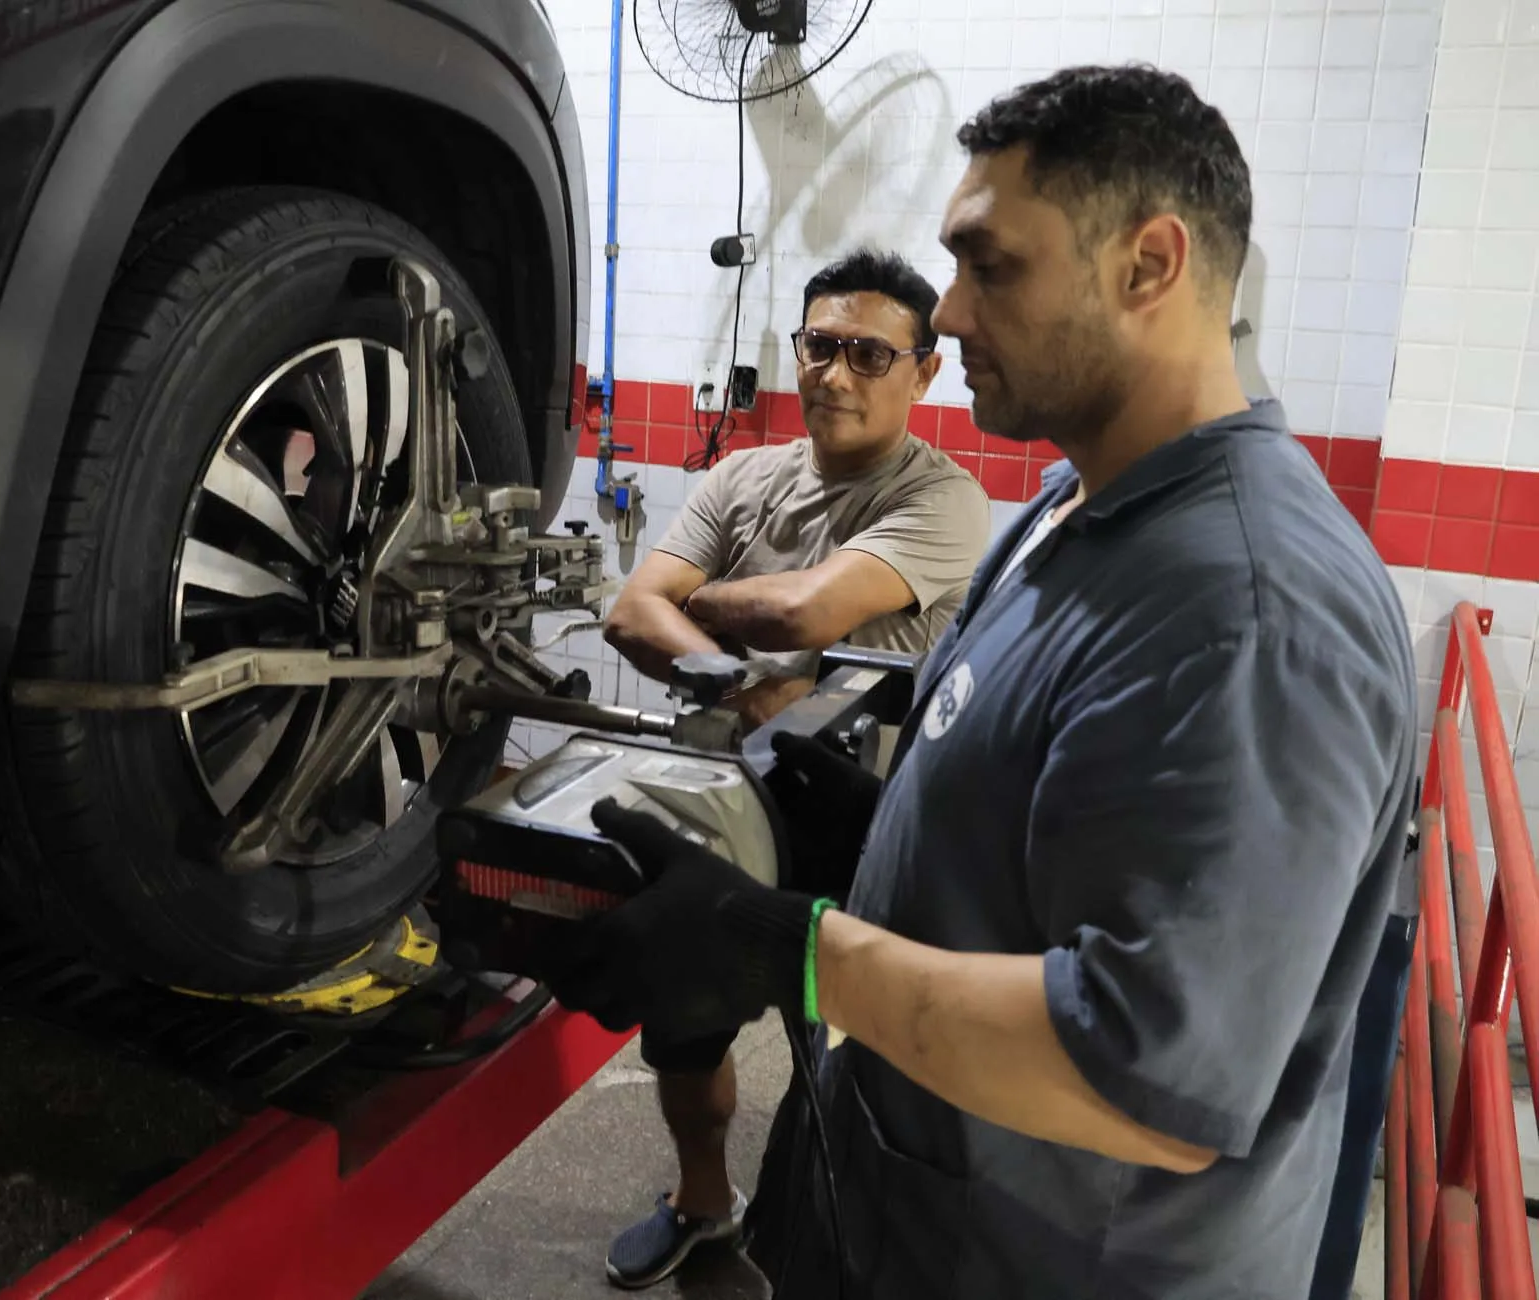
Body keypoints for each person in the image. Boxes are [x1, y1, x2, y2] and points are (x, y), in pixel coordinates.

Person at [545, 64, 1418, 1299]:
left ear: (1150, 265)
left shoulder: (1246, 605)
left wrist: (786, 947)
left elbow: (1147, 1069)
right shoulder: (1078, 506)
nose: (946, 317)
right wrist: (880, 833)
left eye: (988, 265)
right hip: (912, 1207)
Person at [597, 248, 990, 1290]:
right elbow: (628, 608)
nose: (836, 372)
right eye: (820, 345)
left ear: (924, 369)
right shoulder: (744, 476)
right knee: (686, 1023)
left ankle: (838, 1245)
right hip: (727, 805)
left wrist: (699, 605)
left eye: (869, 352)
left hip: (865, 825)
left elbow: (805, 609)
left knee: (852, 1062)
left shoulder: (946, 500)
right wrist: (736, 679)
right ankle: (701, 1201)